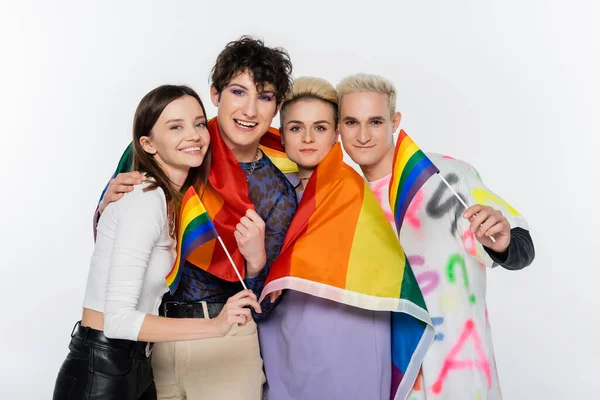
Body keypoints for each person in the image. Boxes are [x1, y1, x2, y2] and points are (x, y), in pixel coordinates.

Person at [96, 36, 297, 400]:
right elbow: (112, 242)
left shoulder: (277, 191)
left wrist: (256, 261)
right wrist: (105, 204)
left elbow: (266, 305)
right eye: (238, 92)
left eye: (265, 97)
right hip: (153, 340)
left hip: (227, 343)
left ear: (277, 107)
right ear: (215, 94)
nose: (250, 110)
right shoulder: (173, 147)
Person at [52, 85, 260, 400]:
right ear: (148, 144)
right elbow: (119, 320)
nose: (193, 134)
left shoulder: (167, 200)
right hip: (102, 370)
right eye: (176, 126)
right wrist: (216, 326)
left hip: (137, 365)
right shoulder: (143, 198)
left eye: (199, 123)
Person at [336, 73, 536, 399]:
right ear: (338, 128)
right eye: (350, 122)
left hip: (459, 378)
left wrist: (501, 241)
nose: (362, 135)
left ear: (395, 121)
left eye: (374, 121)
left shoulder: (447, 177)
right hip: (392, 380)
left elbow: (521, 248)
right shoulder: (344, 199)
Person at [259, 76, 432, 400]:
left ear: (336, 132)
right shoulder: (268, 191)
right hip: (281, 339)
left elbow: (382, 275)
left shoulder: (354, 192)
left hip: (350, 341)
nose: (308, 138)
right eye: (296, 128)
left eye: (320, 127)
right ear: (281, 135)